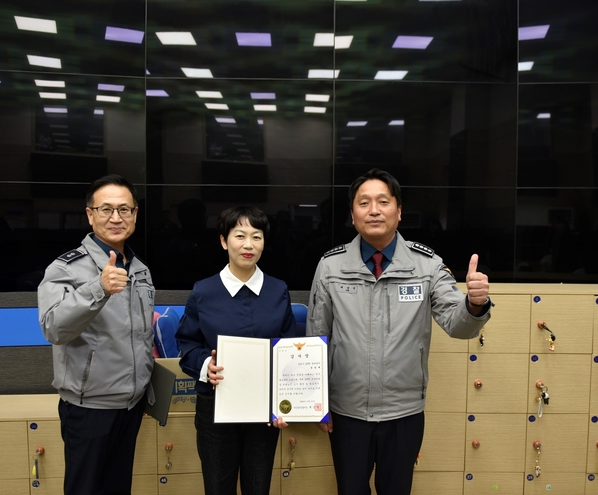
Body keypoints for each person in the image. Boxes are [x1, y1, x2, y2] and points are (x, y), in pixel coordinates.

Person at [306, 168, 491, 495]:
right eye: (364, 203)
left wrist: (474, 305)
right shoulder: (331, 267)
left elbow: (456, 323)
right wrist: (316, 404)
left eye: (383, 201)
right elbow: (316, 338)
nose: (374, 210)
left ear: (399, 211)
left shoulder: (427, 266)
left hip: (404, 413)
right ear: (353, 215)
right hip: (347, 412)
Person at [38, 174, 155, 495]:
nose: (116, 218)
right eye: (106, 209)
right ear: (90, 215)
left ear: (135, 214)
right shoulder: (66, 268)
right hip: (89, 408)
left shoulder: (140, 269)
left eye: (124, 209)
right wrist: (98, 288)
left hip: (131, 405)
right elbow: (53, 327)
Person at [176, 205, 296, 495]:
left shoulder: (278, 290)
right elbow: (187, 344)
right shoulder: (204, 291)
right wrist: (206, 366)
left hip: (263, 411)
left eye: (256, 237)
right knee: (218, 487)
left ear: (264, 242)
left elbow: (290, 352)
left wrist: (286, 402)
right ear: (223, 241)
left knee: (258, 487)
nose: (248, 244)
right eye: (240, 235)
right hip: (216, 407)